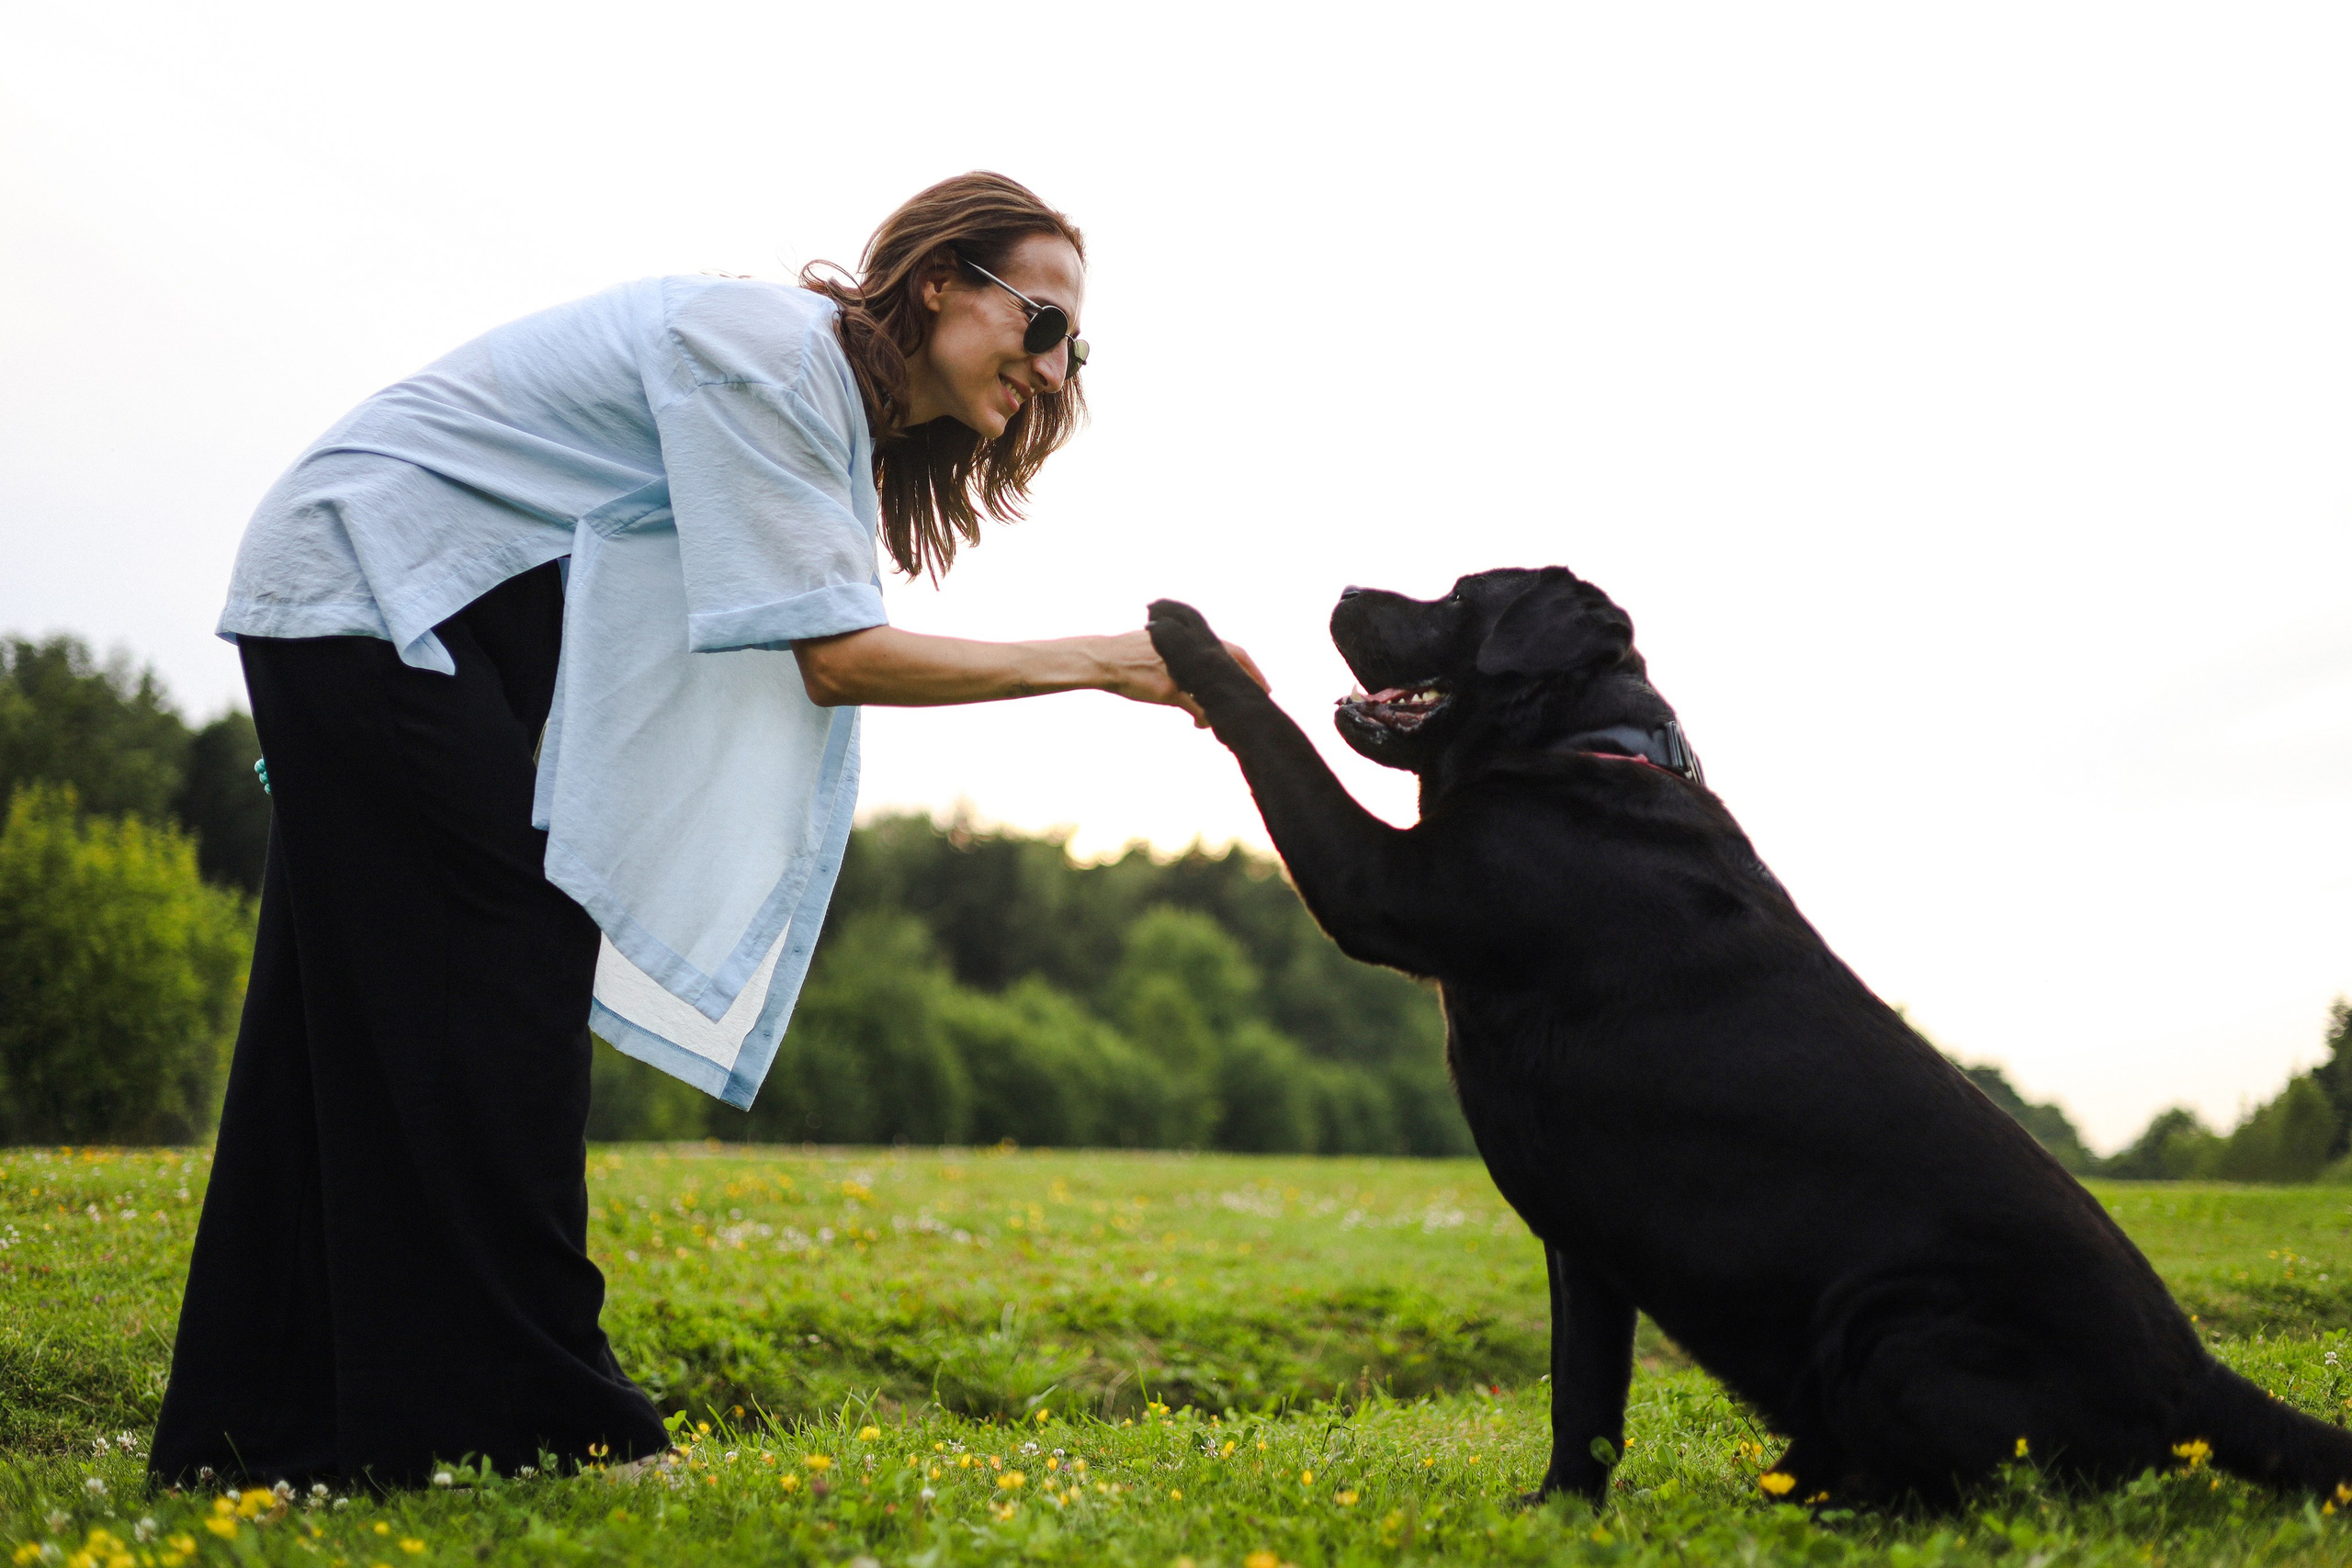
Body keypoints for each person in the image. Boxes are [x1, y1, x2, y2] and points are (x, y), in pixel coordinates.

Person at [150, 172, 1261, 1489]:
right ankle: (554, 1430)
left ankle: (248, 1439)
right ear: (942, 282)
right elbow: (838, 659)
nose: (1057, 366)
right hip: (381, 593)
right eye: (1042, 322)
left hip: (409, 612)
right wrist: (1106, 661)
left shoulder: (818, 408)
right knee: (504, 979)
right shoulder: (774, 355)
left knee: (336, 1021)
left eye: (1078, 348)